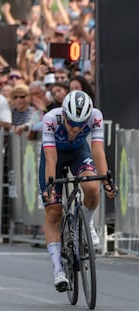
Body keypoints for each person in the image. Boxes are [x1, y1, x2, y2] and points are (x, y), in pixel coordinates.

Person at [39, 90, 118, 292]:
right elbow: (50, 158)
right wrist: (49, 186)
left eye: (80, 125)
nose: (75, 129)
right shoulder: (50, 119)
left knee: (92, 187)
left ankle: (87, 222)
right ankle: (58, 270)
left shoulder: (96, 116)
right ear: (64, 115)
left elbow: (98, 150)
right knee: (53, 211)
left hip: (78, 153)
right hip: (54, 155)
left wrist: (106, 180)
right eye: (71, 123)